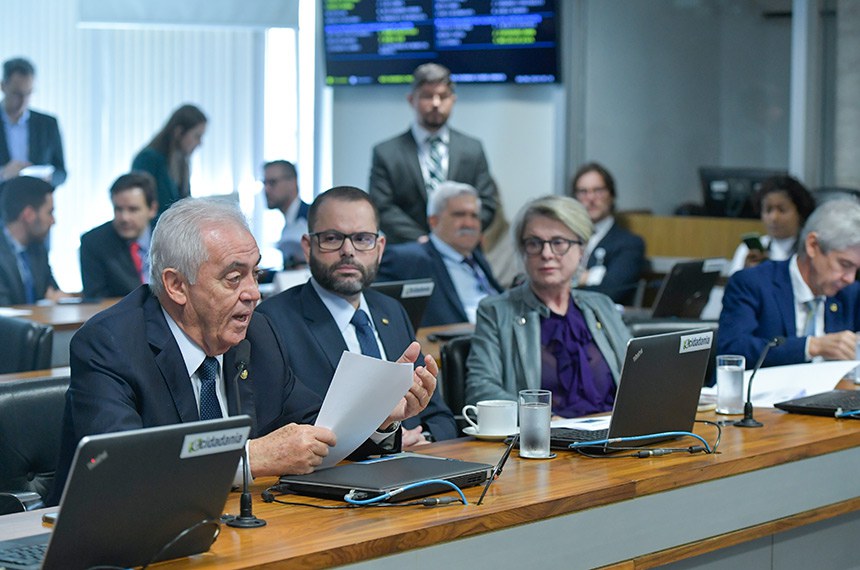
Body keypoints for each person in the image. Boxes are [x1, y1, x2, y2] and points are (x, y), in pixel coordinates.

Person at [51, 197, 438, 503]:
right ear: (176, 286)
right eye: (233, 278)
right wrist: (250, 460)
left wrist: (378, 416)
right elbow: (121, 474)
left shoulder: (258, 335)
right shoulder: (110, 345)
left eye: (256, 273)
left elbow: (317, 428)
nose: (253, 293)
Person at [257, 186, 456, 445]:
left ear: (379, 247)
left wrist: (423, 438)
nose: (348, 250)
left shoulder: (391, 311)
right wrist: (388, 438)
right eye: (332, 238)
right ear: (307, 246)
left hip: (416, 467)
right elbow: (287, 432)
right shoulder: (272, 322)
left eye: (362, 239)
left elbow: (439, 416)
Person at [465, 195, 630, 417]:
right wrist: (543, 420)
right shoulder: (496, 311)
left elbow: (639, 378)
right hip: (543, 442)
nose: (546, 254)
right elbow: (480, 392)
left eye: (558, 243)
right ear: (523, 251)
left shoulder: (602, 306)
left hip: (614, 436)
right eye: (534, 243)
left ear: (581, 249)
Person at [717, 198, 860, 368]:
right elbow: (732, 351)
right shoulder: (752, 283)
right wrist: (811, 346)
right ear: (812, 245)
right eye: (845, 265)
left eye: (856, 270)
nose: (850, 278)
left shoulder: (850, 293)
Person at [369, 63, 498, 244]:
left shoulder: (472, 149)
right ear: (411, 100)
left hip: (462, 249)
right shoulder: (386, 153)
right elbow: (382, 207)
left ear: (453, 99)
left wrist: (457, 234)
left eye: (443, 96)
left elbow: (487, 204)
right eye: (427, 96)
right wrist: (425, 241)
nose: (436, 103)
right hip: (408, 252)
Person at [377, 181, 502, 326]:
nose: (469, 223)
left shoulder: (477, 259)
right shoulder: (408, 259)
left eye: (474, 216)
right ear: (434, 221)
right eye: (459, 215)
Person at [569, 162, 646, 305]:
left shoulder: (629, 243)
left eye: (598, 190)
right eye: (583, 192)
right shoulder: (563, 238)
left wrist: (571, 280)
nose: (590, 198)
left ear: (611, 195)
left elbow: (610, 293)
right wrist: (589, 278)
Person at [80, 172, 158, 298]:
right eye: (118, 209)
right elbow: (96, 299)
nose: (124, 218)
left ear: (152, 209)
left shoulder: (170, 237)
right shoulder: (94, 242)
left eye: (133, 210)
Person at [727, 175, 816, 275]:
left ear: (800, 212)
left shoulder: (811, 250)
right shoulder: (747, 250)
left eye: (782, 210)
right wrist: (746, 273)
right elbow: (732, 288)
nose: (774, 218)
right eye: (768, 210)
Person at [132, 104, 207, 221]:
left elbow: (185, 204)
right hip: (157, 233)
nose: (200, 143)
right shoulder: (148, 159)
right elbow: (141, 208)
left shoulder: (181, 163)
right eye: (197, 136)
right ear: (179, 132)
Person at [0, 57, 66, 187]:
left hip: (37, 202)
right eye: (17, 94)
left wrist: (48, 177)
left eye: (28, 93)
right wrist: (2, 174)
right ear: (3, 86)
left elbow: (61, 172)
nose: (23, 100)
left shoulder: (48, 124)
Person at [0, 176, 64, 304]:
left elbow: (54, 293)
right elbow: (4, 309)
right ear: (28, 215)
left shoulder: (38, 249)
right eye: (49, 213)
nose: (53, 221)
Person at [263, 159, 310, 269]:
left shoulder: (311, 218)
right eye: (264, 183)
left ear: (292, 183)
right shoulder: (289, 222)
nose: (266, 190)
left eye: (272, 182)